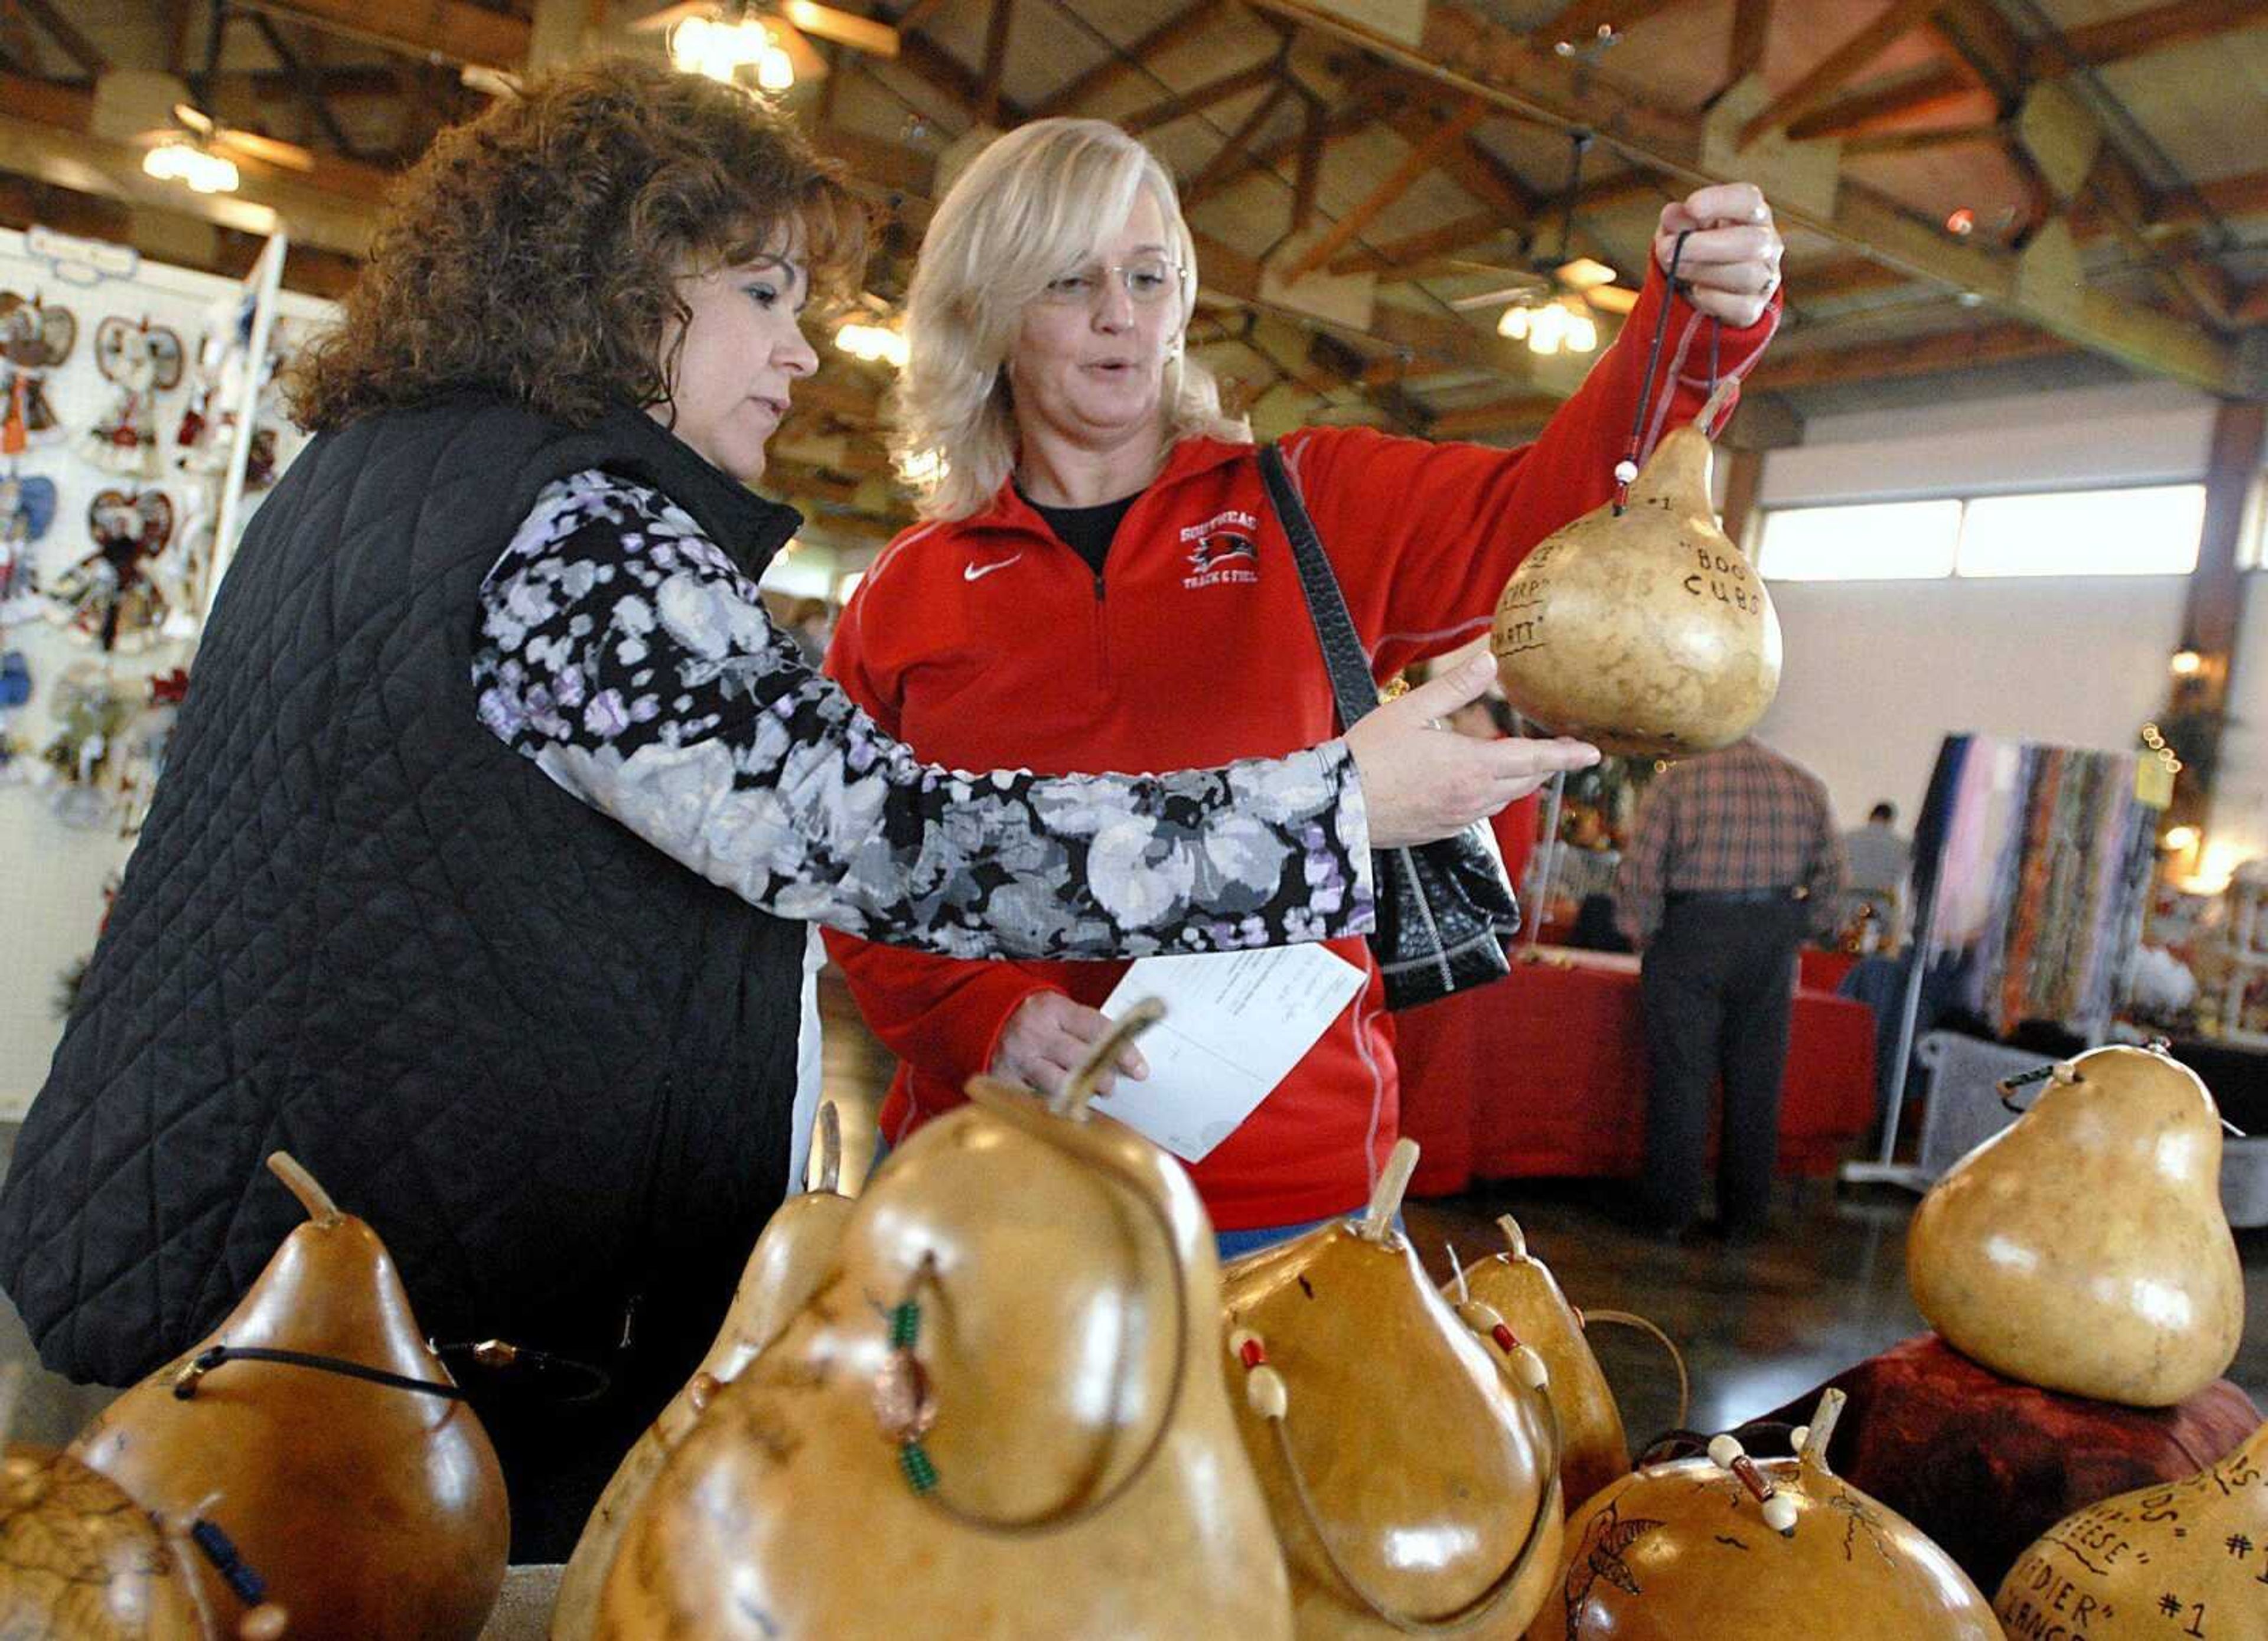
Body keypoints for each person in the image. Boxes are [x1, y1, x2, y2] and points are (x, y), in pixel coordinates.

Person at [0, 60, 1545, 1558]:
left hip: (238, 1264)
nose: (803, 355)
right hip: (406, 1349)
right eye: (764, 296)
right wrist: (1335, 809)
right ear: (622, 283)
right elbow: (888, 837)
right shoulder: (578, 534)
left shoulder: (365, 472)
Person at [825, 118, 1785, 1254]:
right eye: (1070, 281)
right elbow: (855, 868)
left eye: (1149, 276)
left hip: (1274, 1193)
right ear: (987, 310)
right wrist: (983, 1016)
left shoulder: (1308, 502)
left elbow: (1557, 518)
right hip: (992, 1169)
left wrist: (1691, 323)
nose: (1121, 315)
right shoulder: (906, 593)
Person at [1615, 737, 1845, 1241]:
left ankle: (1670, 1210)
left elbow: (1641, 869)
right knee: (1757, 1078)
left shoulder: (1679, 780)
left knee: (1682, 1075)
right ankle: (1744, 1215)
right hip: (1771, 932)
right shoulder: (1802, 783)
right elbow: (1832, 878)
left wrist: (1644, 931)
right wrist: (1804, 928)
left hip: (1692, 928)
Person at [1841, 798, 1912, 945]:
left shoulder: (1847, 838)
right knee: (1879, 947)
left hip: (1849, 900)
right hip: (1882, 904)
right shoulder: (1903, 845)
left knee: (1842, 946)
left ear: (1870, 816)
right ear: (1890, 820)